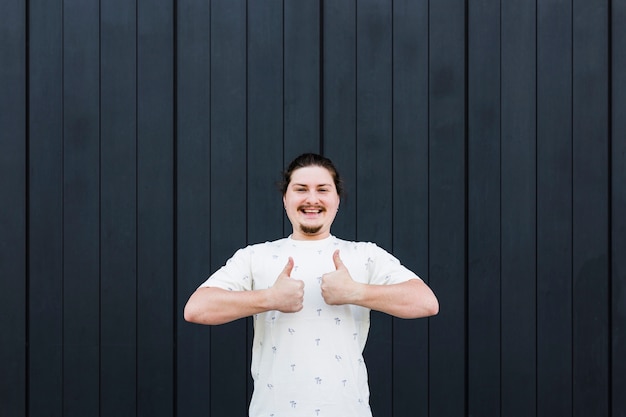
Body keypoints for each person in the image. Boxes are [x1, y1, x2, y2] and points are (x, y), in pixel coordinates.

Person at [184, 153, 439, 417]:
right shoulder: (254, 256)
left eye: (323, 190)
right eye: (301, 189)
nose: (312, 199)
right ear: (286, 198)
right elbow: (197, 309)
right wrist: (270, 298)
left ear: (337, 199)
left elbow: (426, 302)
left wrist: (356, 292)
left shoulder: (365, 255)